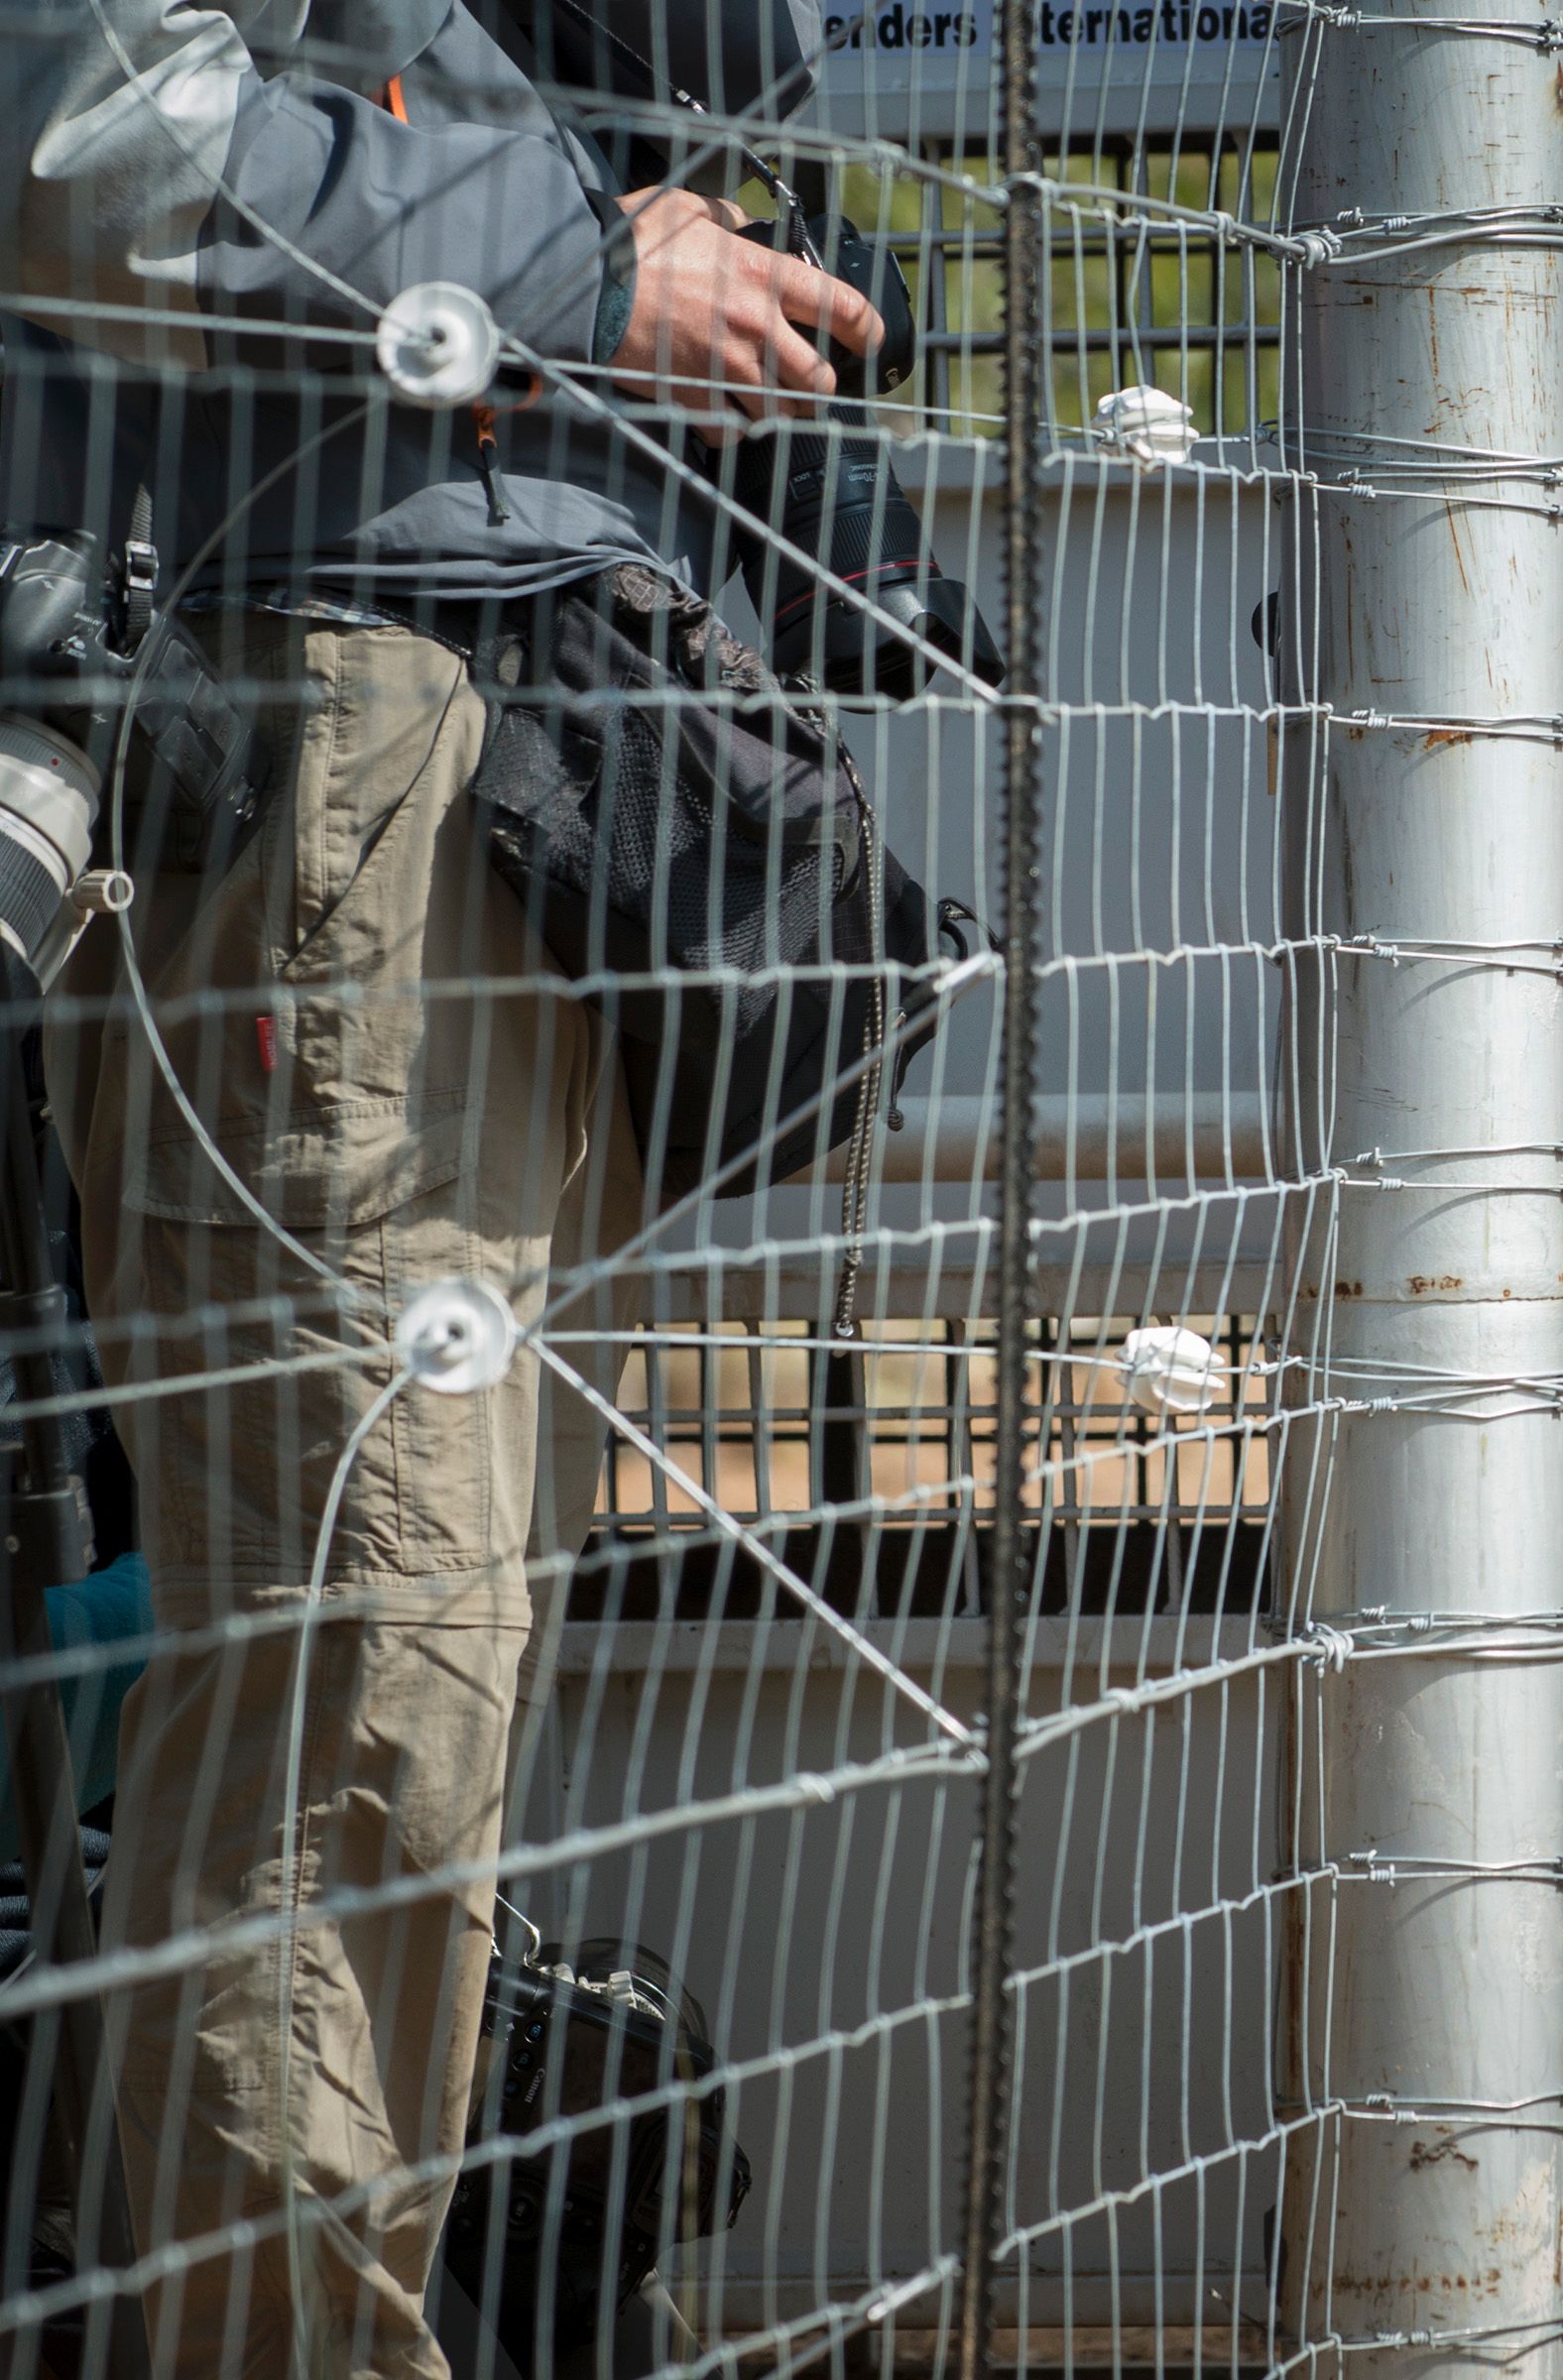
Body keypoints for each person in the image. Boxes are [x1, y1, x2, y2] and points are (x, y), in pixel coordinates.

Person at [0, 7, 879, 2371]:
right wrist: (587, 272)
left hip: (477, 738)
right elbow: (91, 139)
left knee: (413, 1695)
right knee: (352, 1711)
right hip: (308, 732)